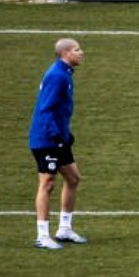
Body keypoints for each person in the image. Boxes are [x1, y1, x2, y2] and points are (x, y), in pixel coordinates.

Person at [28, 38, 88, 250]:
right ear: (65, 53)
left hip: (58, 137)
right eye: (77, 50)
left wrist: (65, 134)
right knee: (48, 183)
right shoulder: (57, 76)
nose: (82, 53)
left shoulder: (65, 73)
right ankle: (42, 235)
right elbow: (45, 110)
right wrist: (56, 136)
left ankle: (64, 229)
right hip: (46, 139)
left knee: (73, 178)